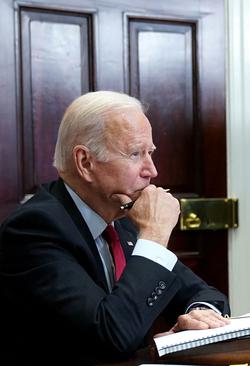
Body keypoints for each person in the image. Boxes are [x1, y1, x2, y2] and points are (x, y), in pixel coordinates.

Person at [0, 91, 230, 364]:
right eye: (135, 154)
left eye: (150, 153)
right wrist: (155, 235)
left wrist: (199, 315)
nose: (152, 170)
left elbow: (207, 295)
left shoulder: (121, 218)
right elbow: (112, 337)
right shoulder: (33, 231)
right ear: (86, 162)